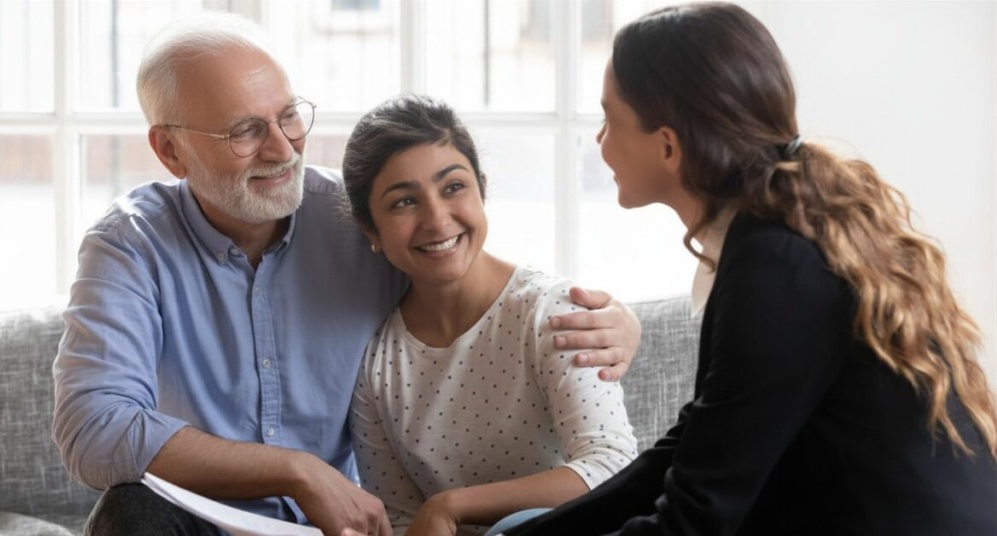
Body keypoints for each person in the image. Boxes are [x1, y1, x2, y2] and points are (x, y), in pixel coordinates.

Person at [50, 11, 642, 536]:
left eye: (287, 117)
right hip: (200, 524)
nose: (282, 150)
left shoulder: (362, 219)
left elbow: (465, 277)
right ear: (171, 151)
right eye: (245, 131)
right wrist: (296, 470)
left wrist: (613, 317)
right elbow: (93, 430)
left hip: (338, 531)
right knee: (130, 512)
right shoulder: (129, 245)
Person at [494, 2, 997, 535]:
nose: (599, 142)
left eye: (609, 120)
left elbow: (695, 517)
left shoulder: (776, 265)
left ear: (668, 146)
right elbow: (689, 447)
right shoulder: (779, 234)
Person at [340, 94, 639, 536]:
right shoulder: (377, 365)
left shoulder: (550, 312)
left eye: (453, 187)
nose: (437, 219)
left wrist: (451, 506)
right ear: (371, 230)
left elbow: (612, 467)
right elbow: (403, 520)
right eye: (404, 202)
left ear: (481, 187)